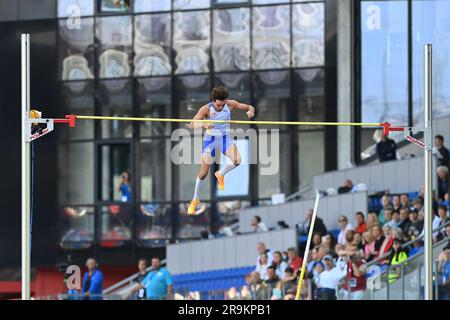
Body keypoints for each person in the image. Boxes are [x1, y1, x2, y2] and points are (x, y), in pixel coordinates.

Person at [187, 85, 255, 214]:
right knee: (203, 173)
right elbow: (191, 125)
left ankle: (220, 174)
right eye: (218, 105)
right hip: (210, 141)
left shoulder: (229, 104)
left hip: (225, 139)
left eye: (222, 105)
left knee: (237, 160)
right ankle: (195, 199)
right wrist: (203, 123)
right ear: (213, 100)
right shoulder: (206, 109)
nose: (221, 107)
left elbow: (249, 107)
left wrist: (251, 110)